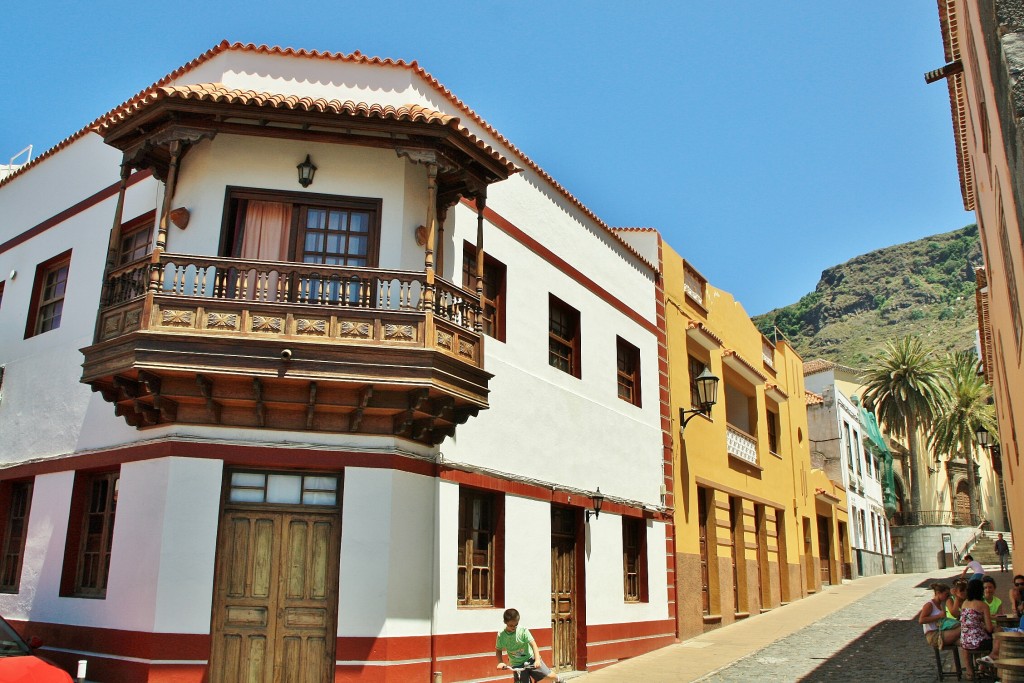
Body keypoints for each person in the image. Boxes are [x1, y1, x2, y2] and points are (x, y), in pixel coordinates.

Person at [495, 608, 561, 683]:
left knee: (548, 676)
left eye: (515, 625)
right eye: (511, 625)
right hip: (517, 664)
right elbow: (498, 649)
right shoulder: (501, 635)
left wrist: (537, 660)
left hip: (531, 660)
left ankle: (558, 679)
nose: (513, 627)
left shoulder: (523, 631)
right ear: (505, 622)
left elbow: (533, 645)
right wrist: (500, 662)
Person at [960, 579, 1002, 677]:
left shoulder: (964, 603)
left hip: (965, 642)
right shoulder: (983, 605)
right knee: (998, 633)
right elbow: (989, 629)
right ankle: (992, 659)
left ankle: (976, 669)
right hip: (978, 643)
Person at [920, 582, 961, 650]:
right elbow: (921, 620)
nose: (948, 597)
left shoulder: (940, 605)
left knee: (965, 642)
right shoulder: (929, 605)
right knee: (964, 628)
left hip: (942, 631)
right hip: (933, 635)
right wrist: (938, 616)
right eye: (946, 594)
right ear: (938, 593)